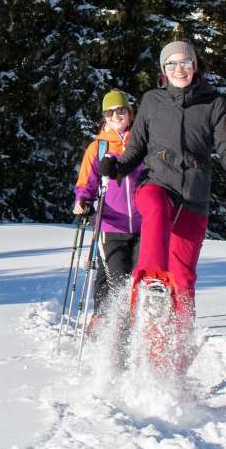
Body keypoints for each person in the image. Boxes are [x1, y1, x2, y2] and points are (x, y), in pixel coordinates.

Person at [103, 39, 226, 364]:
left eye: (184, 62)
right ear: (163, 70)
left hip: (194, 197)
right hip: (156, 183)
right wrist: (116, 166)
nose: (179, 69)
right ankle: (152, 283)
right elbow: (136, 149)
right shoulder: (152, 101)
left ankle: (171, 353)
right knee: (155, 207)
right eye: (171, 64)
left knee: (184, 278)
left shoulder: (214, 104)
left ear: (195, 64)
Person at [72, 89, 144, 323]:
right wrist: (81, 200)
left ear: (129, 113)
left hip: (144, 224)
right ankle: (112, 329)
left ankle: (133, 327)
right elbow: (85, 183)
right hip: (110, 225)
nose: (116, 116)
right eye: (110, 112)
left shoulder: (142, 143)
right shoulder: (98, 148)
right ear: (104, 116)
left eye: (120, 110)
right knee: (118, 282)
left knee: (139, 281)